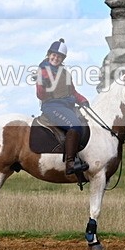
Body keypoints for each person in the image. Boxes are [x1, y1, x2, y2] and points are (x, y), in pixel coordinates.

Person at [36, 38, 90, 175]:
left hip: (67, 106)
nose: (56, 58)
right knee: (75, 126)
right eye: (54, 55)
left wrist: (82, 100)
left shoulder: (65, 73)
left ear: (62, 59)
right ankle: (70, 163)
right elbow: (40, 95)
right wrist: (42, 84)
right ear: (49, 55)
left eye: (59, 56)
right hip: (51, 106)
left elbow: (72, 92)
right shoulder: (42, 71)